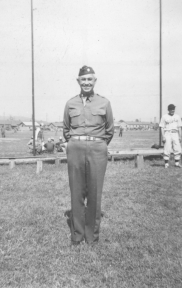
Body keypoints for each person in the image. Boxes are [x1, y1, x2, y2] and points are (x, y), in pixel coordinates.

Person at [63, 65, 114, 245]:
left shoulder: (104, 103)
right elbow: (65, 129)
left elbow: (109, 130)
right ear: (78, 81)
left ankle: (92, 236)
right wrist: (76, 143)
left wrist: (96, 144)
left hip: (97, 148)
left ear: (94, 81)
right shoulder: (70, 103)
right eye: (83, 80)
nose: (86, 83)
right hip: (75, 148)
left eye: (89, 79)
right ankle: (77, 235)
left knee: (94, 191)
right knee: (76, 191)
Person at [159, 104, 182, 168]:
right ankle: (166, 164)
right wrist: (163, 136)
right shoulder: (164, 117)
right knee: (167, 148)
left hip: (175, 133)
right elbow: (162, 127)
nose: (172, 110)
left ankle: (177, 163)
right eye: (171, 109)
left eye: (173, 109)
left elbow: (180, 127)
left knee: (177, 148)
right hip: (167, 133)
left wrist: (180, 136)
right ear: (168, 109)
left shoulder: (177, 116)